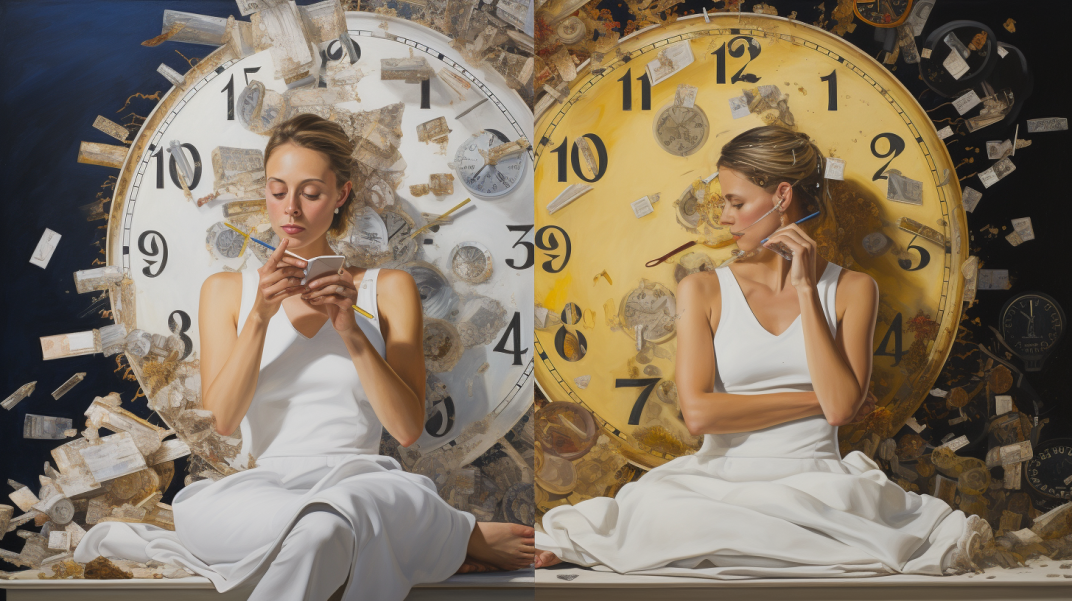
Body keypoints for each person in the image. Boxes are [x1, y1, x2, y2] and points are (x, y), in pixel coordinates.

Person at [74, 113, 534, 600]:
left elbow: (405, 429)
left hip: (362, 484)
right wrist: (259, 317)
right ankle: (454, 540)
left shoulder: (388, 288)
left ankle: (442, 537)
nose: (290, 208)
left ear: (341, 195)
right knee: (319, 529)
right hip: (263, 493)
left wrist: (351, 332)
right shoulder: (228, 291)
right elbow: (225, 419)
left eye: (311, 193)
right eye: (277, 191)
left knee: (332, 522)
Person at [533, 125, 994, 578]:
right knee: (662, 517)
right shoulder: (702, 289)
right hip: (718, 481)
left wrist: (807, 290)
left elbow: (840, 409)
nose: (725, 217)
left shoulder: (855, 290)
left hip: (821, 483)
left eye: (736, 203)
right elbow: (699, 415)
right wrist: (818, 401)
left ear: (781, 197)